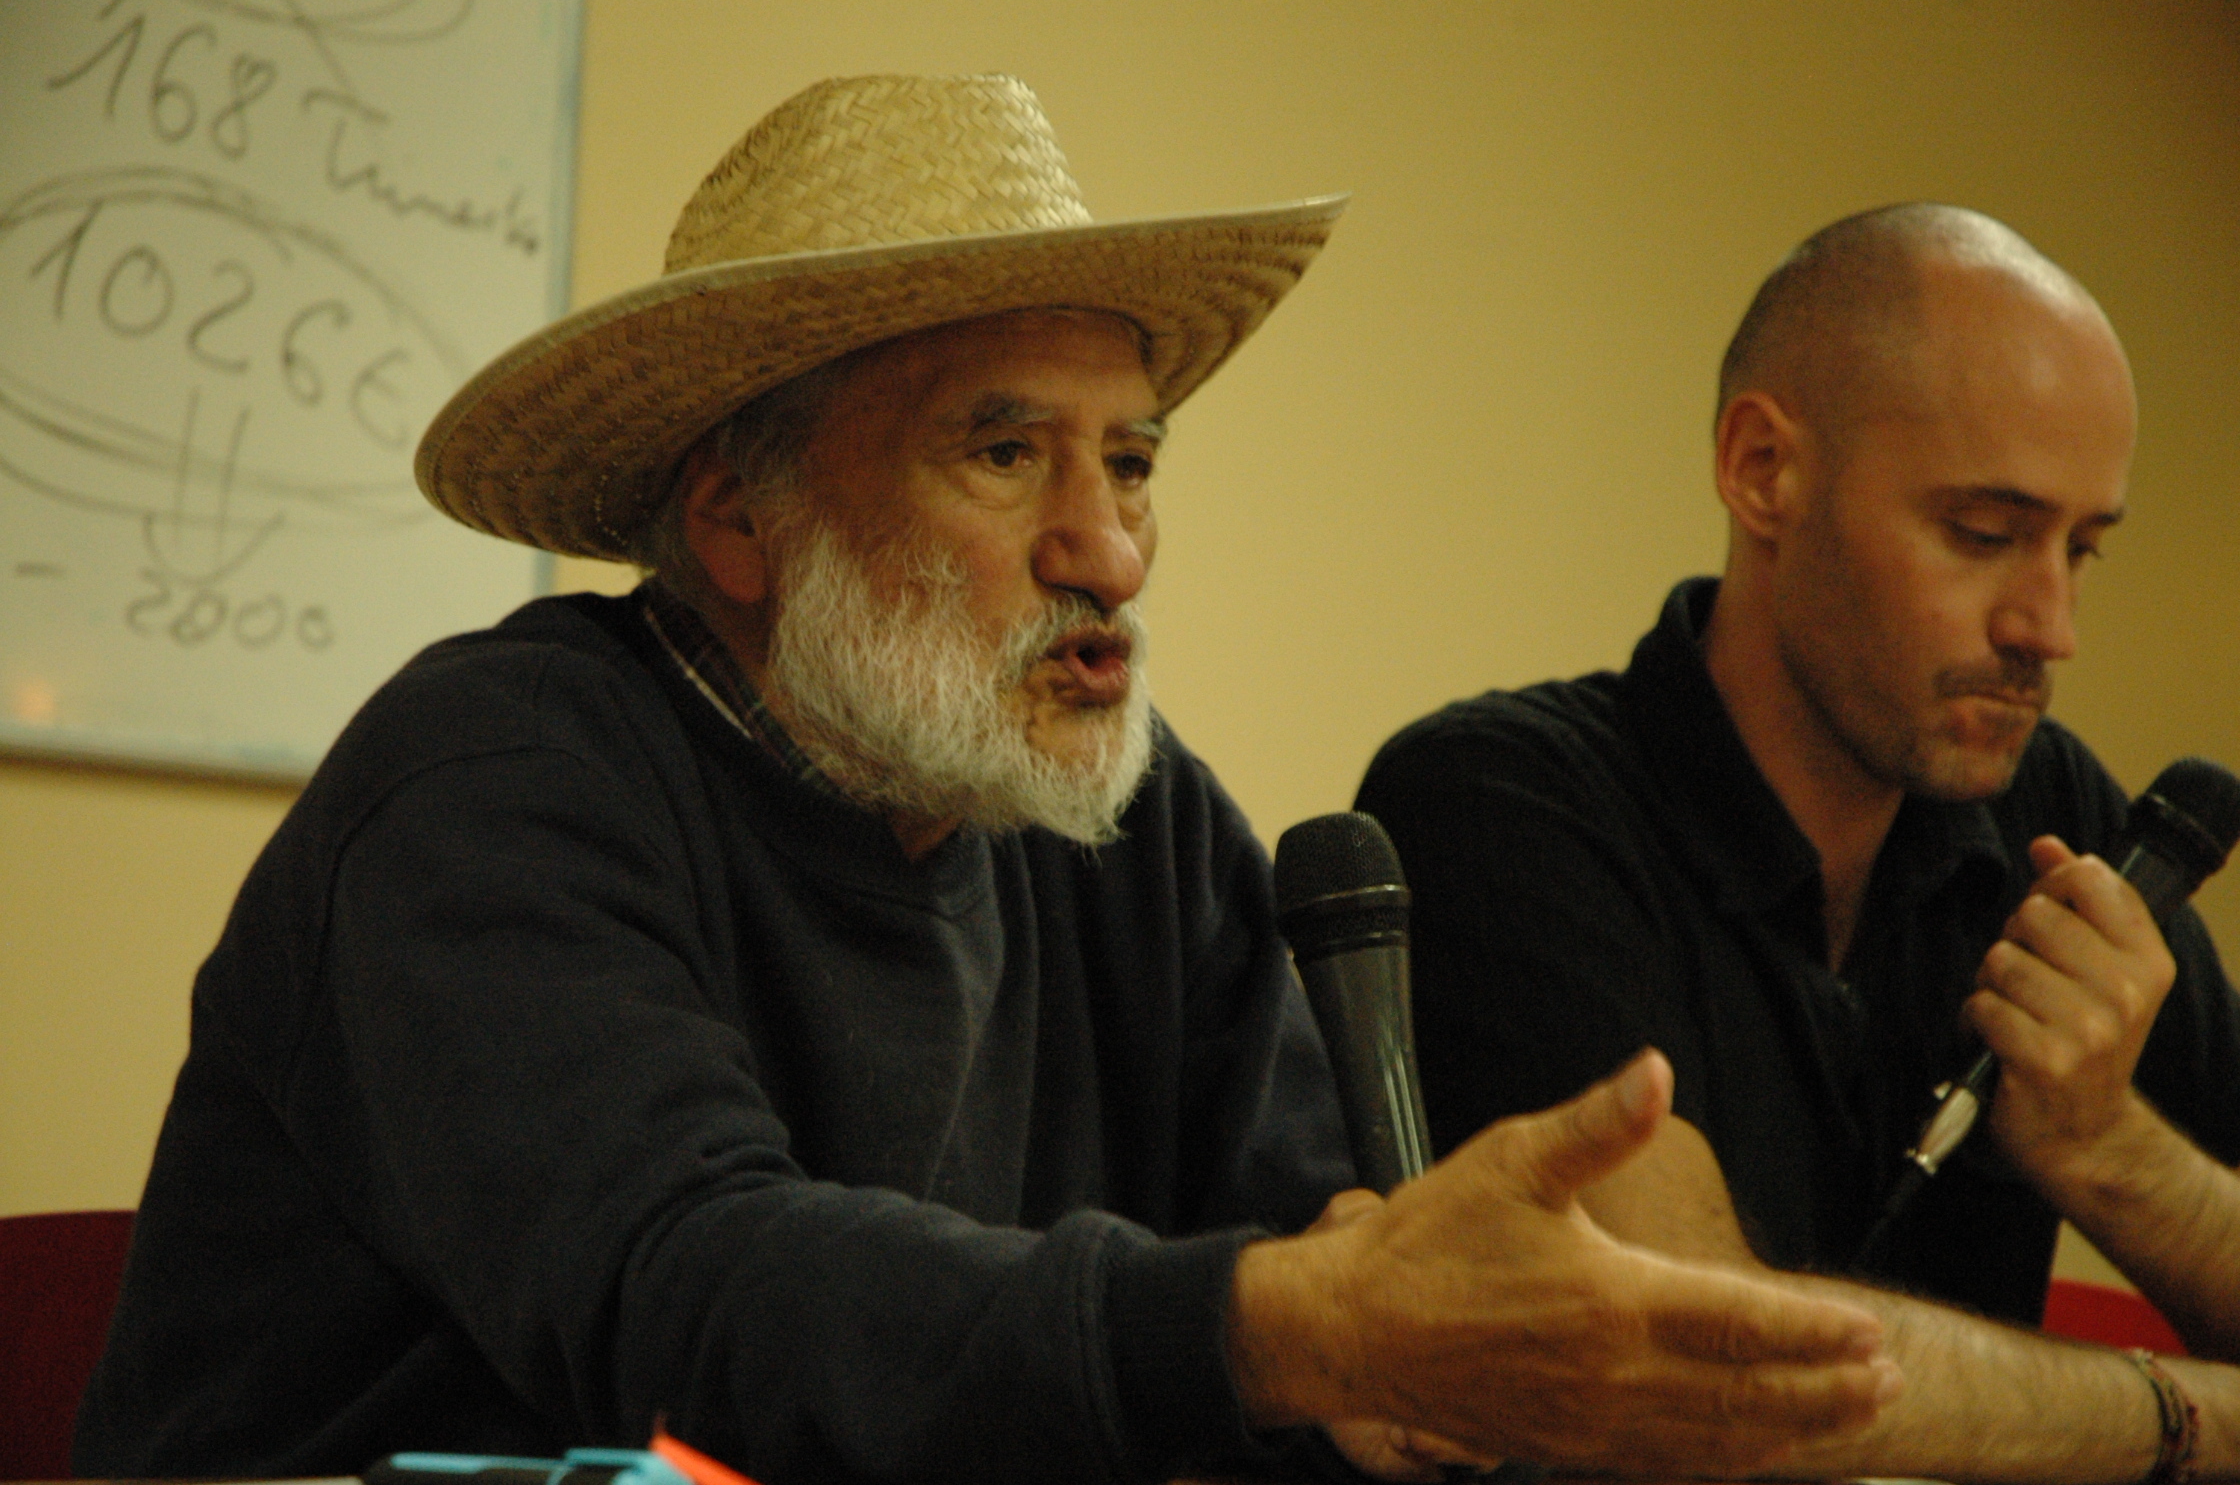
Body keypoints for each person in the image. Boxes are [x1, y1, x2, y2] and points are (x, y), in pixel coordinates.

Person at [76, 75, 1899, 1482]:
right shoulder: (492, 781)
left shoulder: (1139, 831)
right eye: (1007, 452)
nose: (1110, 550)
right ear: (739, 515)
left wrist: (1403, 1353)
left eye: (1133, 461)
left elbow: (1303, 1277)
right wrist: (1288, 1327)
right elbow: (694, 1297)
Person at [1359, 202, 2240, 1482]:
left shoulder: (2050, 812)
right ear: (1762, 468)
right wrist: (2184, 1422)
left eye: (2082, 549)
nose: (2048, 629)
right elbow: (1704, 1369)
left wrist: (2111, 1153)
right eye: (1982, 535)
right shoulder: (1497, 799)